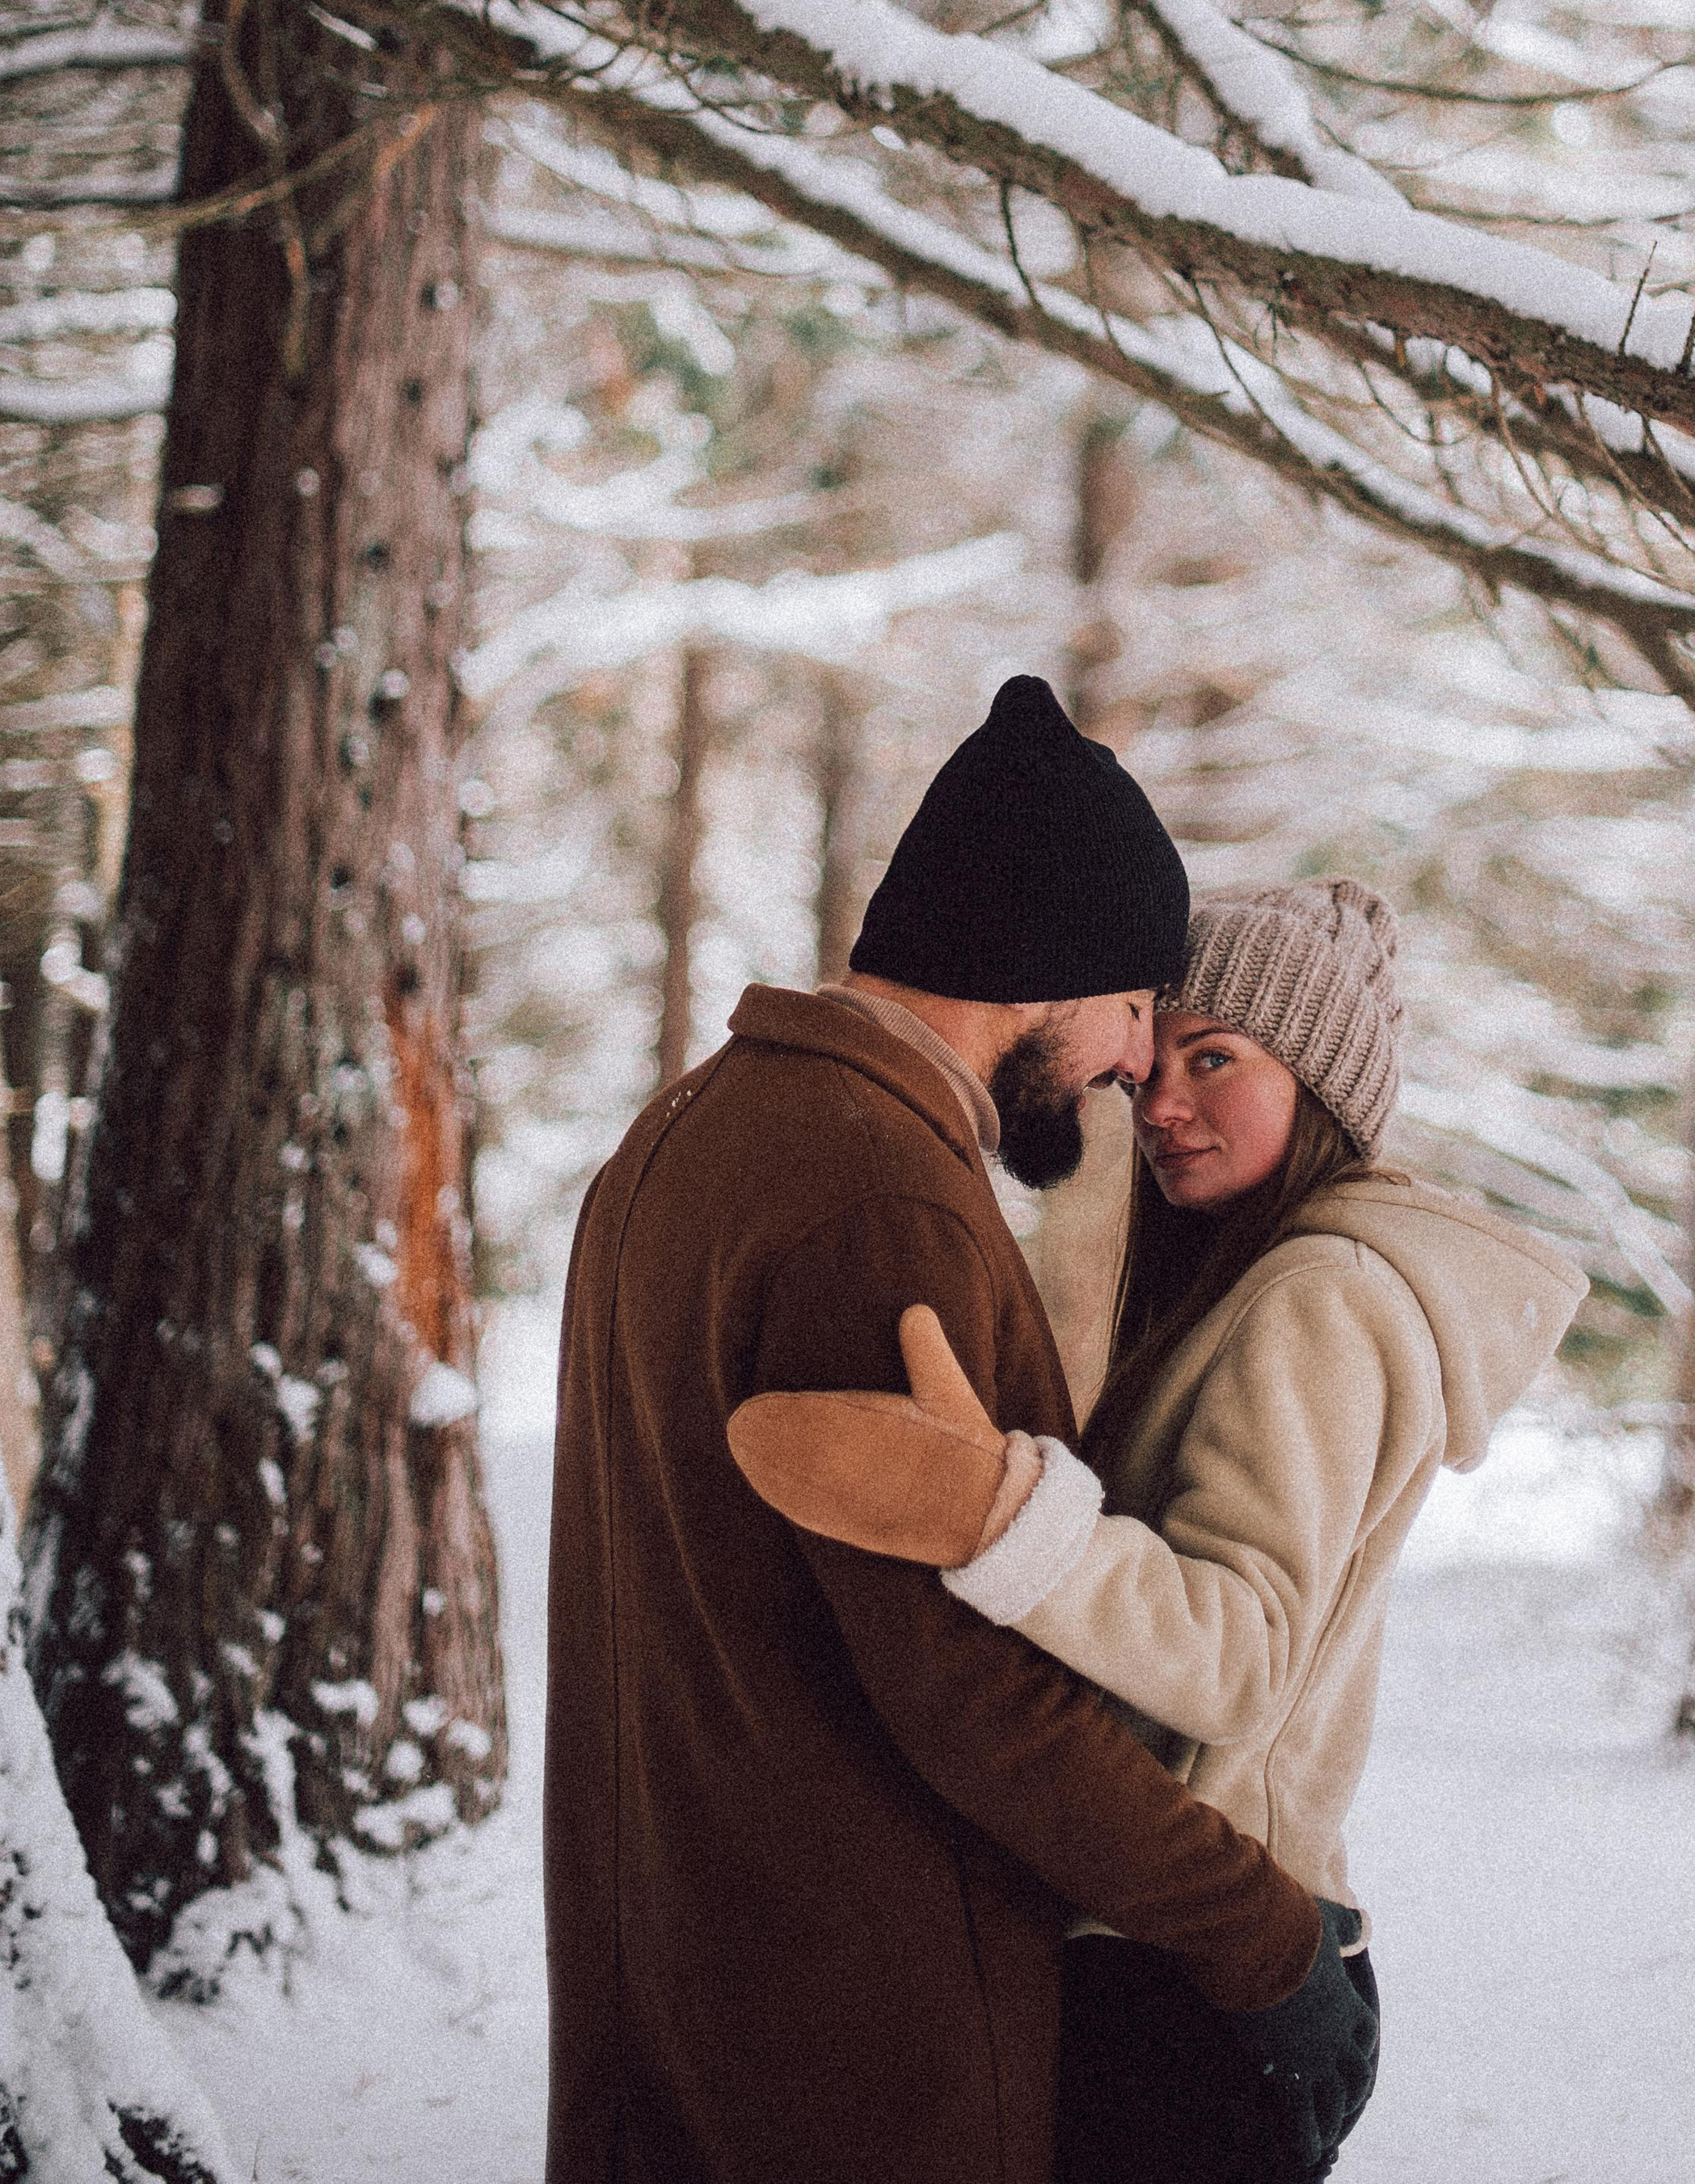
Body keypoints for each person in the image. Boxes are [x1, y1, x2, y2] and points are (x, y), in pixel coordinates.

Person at [543, 679, 1376, 2184]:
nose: (1136, 1064)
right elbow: (973, 1692)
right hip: (850, 2028)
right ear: (1049, 967)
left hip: (677, 1971)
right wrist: (1262, 1937)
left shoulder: (687, 1130)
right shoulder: (876, 1196)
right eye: (1137, 1006)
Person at [734, 874, 1587, 2183]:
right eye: (1147, 1075)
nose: (1164, 1105)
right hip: (1199, 1966)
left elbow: (1241, 1650)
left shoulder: (1319, 1297)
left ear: (1323, 1085)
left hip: (1199, 1984)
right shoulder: (1268, 1281)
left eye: (1216, 1060)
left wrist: (1004, 1514)